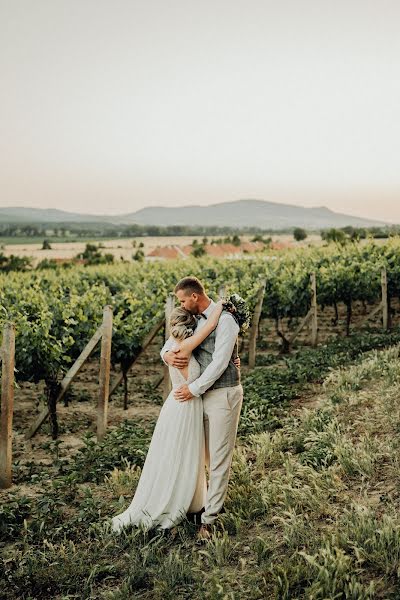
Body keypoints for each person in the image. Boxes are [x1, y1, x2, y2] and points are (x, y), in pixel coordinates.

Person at [110, 299, 225, 533]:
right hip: (185, 405)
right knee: (183, 454)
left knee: (180, 454)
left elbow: (169, 349)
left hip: (178, 404)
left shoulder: (172, 345)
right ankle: (176, 502)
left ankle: (189, 498)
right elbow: (210, 326)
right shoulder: (185, 346)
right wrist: (221, 306)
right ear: (190, 326)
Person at [161, 276, 243, 542]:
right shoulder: (193, 317)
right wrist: (166, 355)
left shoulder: (227, 320)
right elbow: (170, 344)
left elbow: (220, 363)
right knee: (202, 455)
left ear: (194, 297)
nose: (182, 304)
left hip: (222, 394)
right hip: (200, 398)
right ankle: (201, 502)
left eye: (184, 299)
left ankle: (210, 520)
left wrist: (194, 388)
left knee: (219, 458)